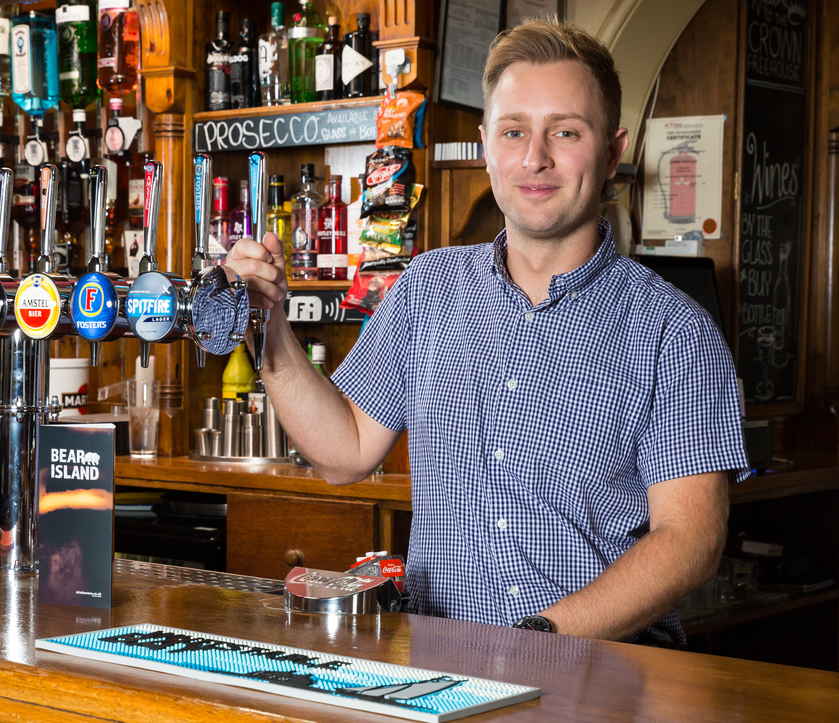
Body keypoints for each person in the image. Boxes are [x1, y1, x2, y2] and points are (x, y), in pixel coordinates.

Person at [226, 20, 747, 646]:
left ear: (611, 152)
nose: (535, 157)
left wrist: (539, 640)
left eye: (566, 132)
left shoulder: (675, 331)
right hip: (439, 671)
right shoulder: (429, 289)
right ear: (486, 147)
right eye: (514, 131)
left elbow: (689, 540)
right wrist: (267, 321)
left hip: (598, 678)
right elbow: (344, 452)